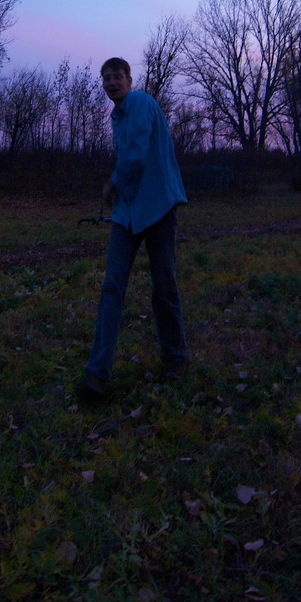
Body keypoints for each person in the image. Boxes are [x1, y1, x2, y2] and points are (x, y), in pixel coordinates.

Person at [77, 57, 188, 402]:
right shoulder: (116, 116)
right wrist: (118, 192)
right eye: (106, 78)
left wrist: (111, 182)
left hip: (157, 208)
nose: (111, 83)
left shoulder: (139, 102)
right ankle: (97, 374)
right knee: (112, 287)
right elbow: (129, 158)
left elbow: (137, 155)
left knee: (164, 286)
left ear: (129, 79)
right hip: (126, 214)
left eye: (117, 77)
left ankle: (176, 360)